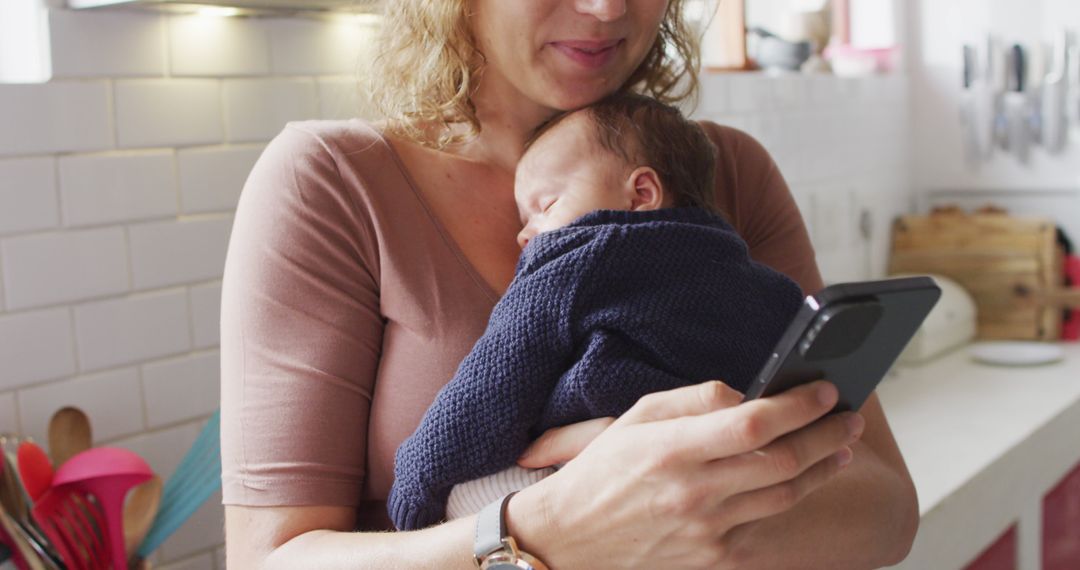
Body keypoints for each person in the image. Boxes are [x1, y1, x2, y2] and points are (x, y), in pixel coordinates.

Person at [221, 1, 919, 568]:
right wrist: (549, 531)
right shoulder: (333, 181)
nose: (606, 8)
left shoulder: (721, 167)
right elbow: (271, 561)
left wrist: (680, 508)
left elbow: (884, 508)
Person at [388, 93, 807, 530]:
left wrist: (417, 487)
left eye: (545, 205)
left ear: (641, 193)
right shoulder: (771, 289)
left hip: (590, 480)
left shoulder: (576, 261)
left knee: (469, 496)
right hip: (733, 485)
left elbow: (489, 387)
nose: (524, 234)